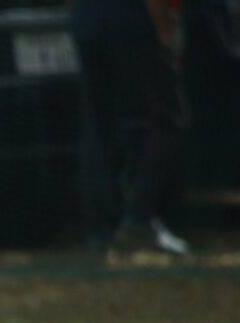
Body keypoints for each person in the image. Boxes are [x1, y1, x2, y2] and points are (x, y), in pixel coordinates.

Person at [70, 0, 191, 254]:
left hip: (86, 21)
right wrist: (164, 33)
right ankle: (139, 217)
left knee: (98, 124)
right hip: (132, 22)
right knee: (170, 119)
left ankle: (99, 230)